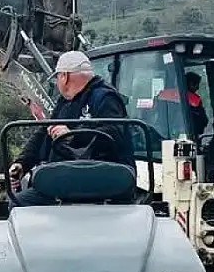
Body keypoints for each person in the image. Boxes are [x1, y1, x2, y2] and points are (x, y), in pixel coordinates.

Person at [8, 50, 135, 207]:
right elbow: (43, 133)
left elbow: (114, 133)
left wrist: (73, 135)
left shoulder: (105, 98)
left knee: (18, 205)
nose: (58, 82)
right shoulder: (64, 103)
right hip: (67, 178)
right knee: (16, 202)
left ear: (65, 76)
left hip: (100, 178)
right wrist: (22, 162)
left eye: (58, 77)